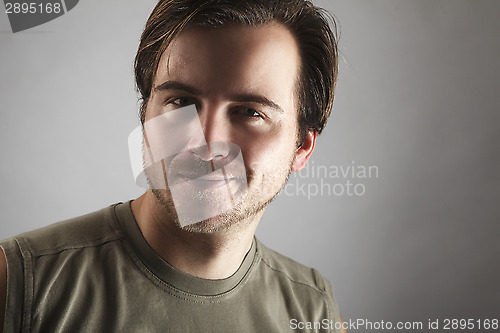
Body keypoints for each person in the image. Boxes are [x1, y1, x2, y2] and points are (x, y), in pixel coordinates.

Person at [0, 0, 346, 331]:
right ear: (145, 115)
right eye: (181, 101)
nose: (206, 144)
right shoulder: (18, 283)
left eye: (249, 112)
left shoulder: (314, 311)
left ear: (302, 146)